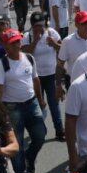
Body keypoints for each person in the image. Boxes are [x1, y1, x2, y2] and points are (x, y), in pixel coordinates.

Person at [0, 29, 47, 173]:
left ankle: (29, 159)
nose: (17, 45)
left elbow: (35, 80)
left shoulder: (29, 58)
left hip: (31, 104)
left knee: (40, 135)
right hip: (12, 108)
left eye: (18, 41)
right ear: (5, 46)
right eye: (12, 43)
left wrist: (40, 99)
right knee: (16, 143)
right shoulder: (2, 64)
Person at [22, 11, 64, 141]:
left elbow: (62, 49)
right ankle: (39, 131)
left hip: (51, 75)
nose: (38, 28)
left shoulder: (51, 33)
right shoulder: (27, 36)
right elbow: (24, 52)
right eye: (35, 26)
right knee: (38, 105)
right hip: (36, 78)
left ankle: (59, 130)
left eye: (40, 25)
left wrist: (54, 44)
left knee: (54, 104)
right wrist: (35, 41)